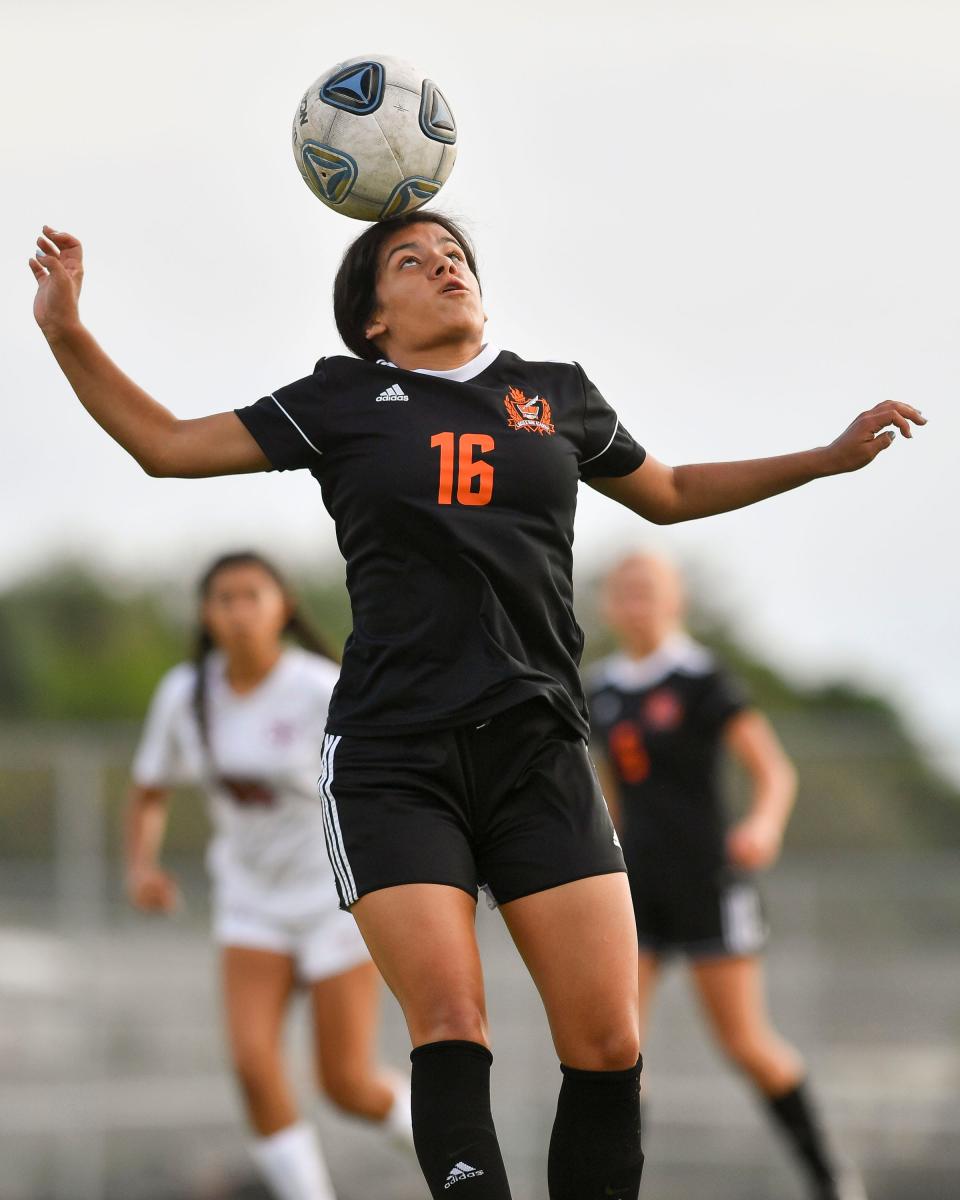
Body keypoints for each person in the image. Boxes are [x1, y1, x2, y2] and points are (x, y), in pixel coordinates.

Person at [30, 213, 922, 1200]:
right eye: (409, 260)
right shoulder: (344, 400)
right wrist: (68, 331)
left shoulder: (555, 394)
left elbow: (667, 491)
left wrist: (823, 458)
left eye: (454, 252)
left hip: (539, 755)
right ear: (374, 320)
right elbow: (164, 445)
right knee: (451, 1022)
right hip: (393, 763)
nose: (444, 262)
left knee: (609, 1039)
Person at [125, 550, 413, 1200]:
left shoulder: (319, 687)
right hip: (250, 901)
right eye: (224, 598)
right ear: (206, 614)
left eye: (253, 595)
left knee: (346, 1084)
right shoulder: (184, 693)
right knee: (254, 1067)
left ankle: (452, 1155)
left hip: (332, 897)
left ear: (282, 606)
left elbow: (388, 777)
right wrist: (142, 866)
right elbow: (148, 791)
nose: (239, 610)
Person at [587, 551, 866, 1200]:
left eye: (648, 588)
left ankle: (831, 1179)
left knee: (745, 1042)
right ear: (608, 605)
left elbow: (774, 771)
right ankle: (615, 1187)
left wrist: (764, 825)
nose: (636, 600)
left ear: (675, 598)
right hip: (634, 891)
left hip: (708, 883)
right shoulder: (600, 687)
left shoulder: (701, 678)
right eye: (624, 590)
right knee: (618, 1046)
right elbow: (612, 790)